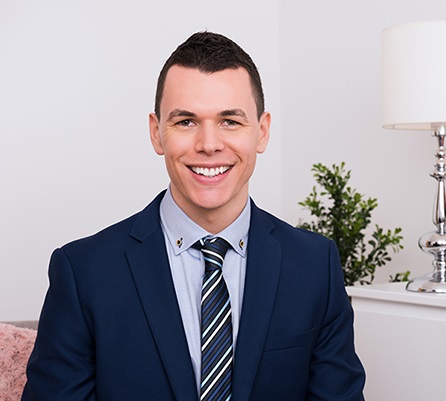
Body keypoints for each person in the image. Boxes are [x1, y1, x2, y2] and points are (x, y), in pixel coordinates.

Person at [21, 31, 365, 401]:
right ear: (157, 133)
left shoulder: (315, 266)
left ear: (262, 132)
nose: (209, 144)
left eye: (229, 120)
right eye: (186, 121)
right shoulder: (83, 272)